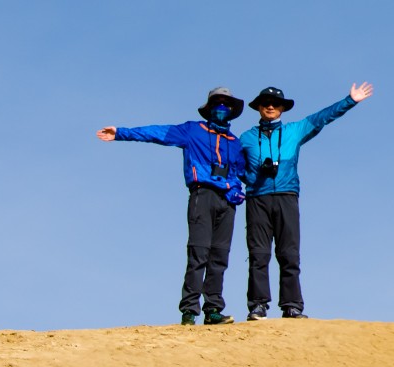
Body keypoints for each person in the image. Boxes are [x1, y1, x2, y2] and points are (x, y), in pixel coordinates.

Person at [97, 87, 250, 326]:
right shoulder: (192, 130)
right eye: (217, 103)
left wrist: (247, 186)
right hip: (203, 194)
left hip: (228, 202)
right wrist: (120, 133)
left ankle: (213, 310)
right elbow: (158, 133)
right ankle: (189, 310)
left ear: (232, 111)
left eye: (226, 104)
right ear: (209, 108)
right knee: (198, 253)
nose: (222, 108)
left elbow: (244, 172)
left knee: (220, 256)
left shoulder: (235, 143)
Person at [239, 81, 374, 320]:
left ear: (282, 108)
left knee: (289, 254)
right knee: (258, 254)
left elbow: (321, 118)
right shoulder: (246, 138)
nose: (270, 107)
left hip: (287, 196)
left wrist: (350, 100)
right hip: (257, 199)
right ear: (258, 107)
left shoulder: (294, 130)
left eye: (276, 104)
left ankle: (292, 306)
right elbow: (236, 165)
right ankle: (258, 306)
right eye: (266, 103)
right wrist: (250, 177)